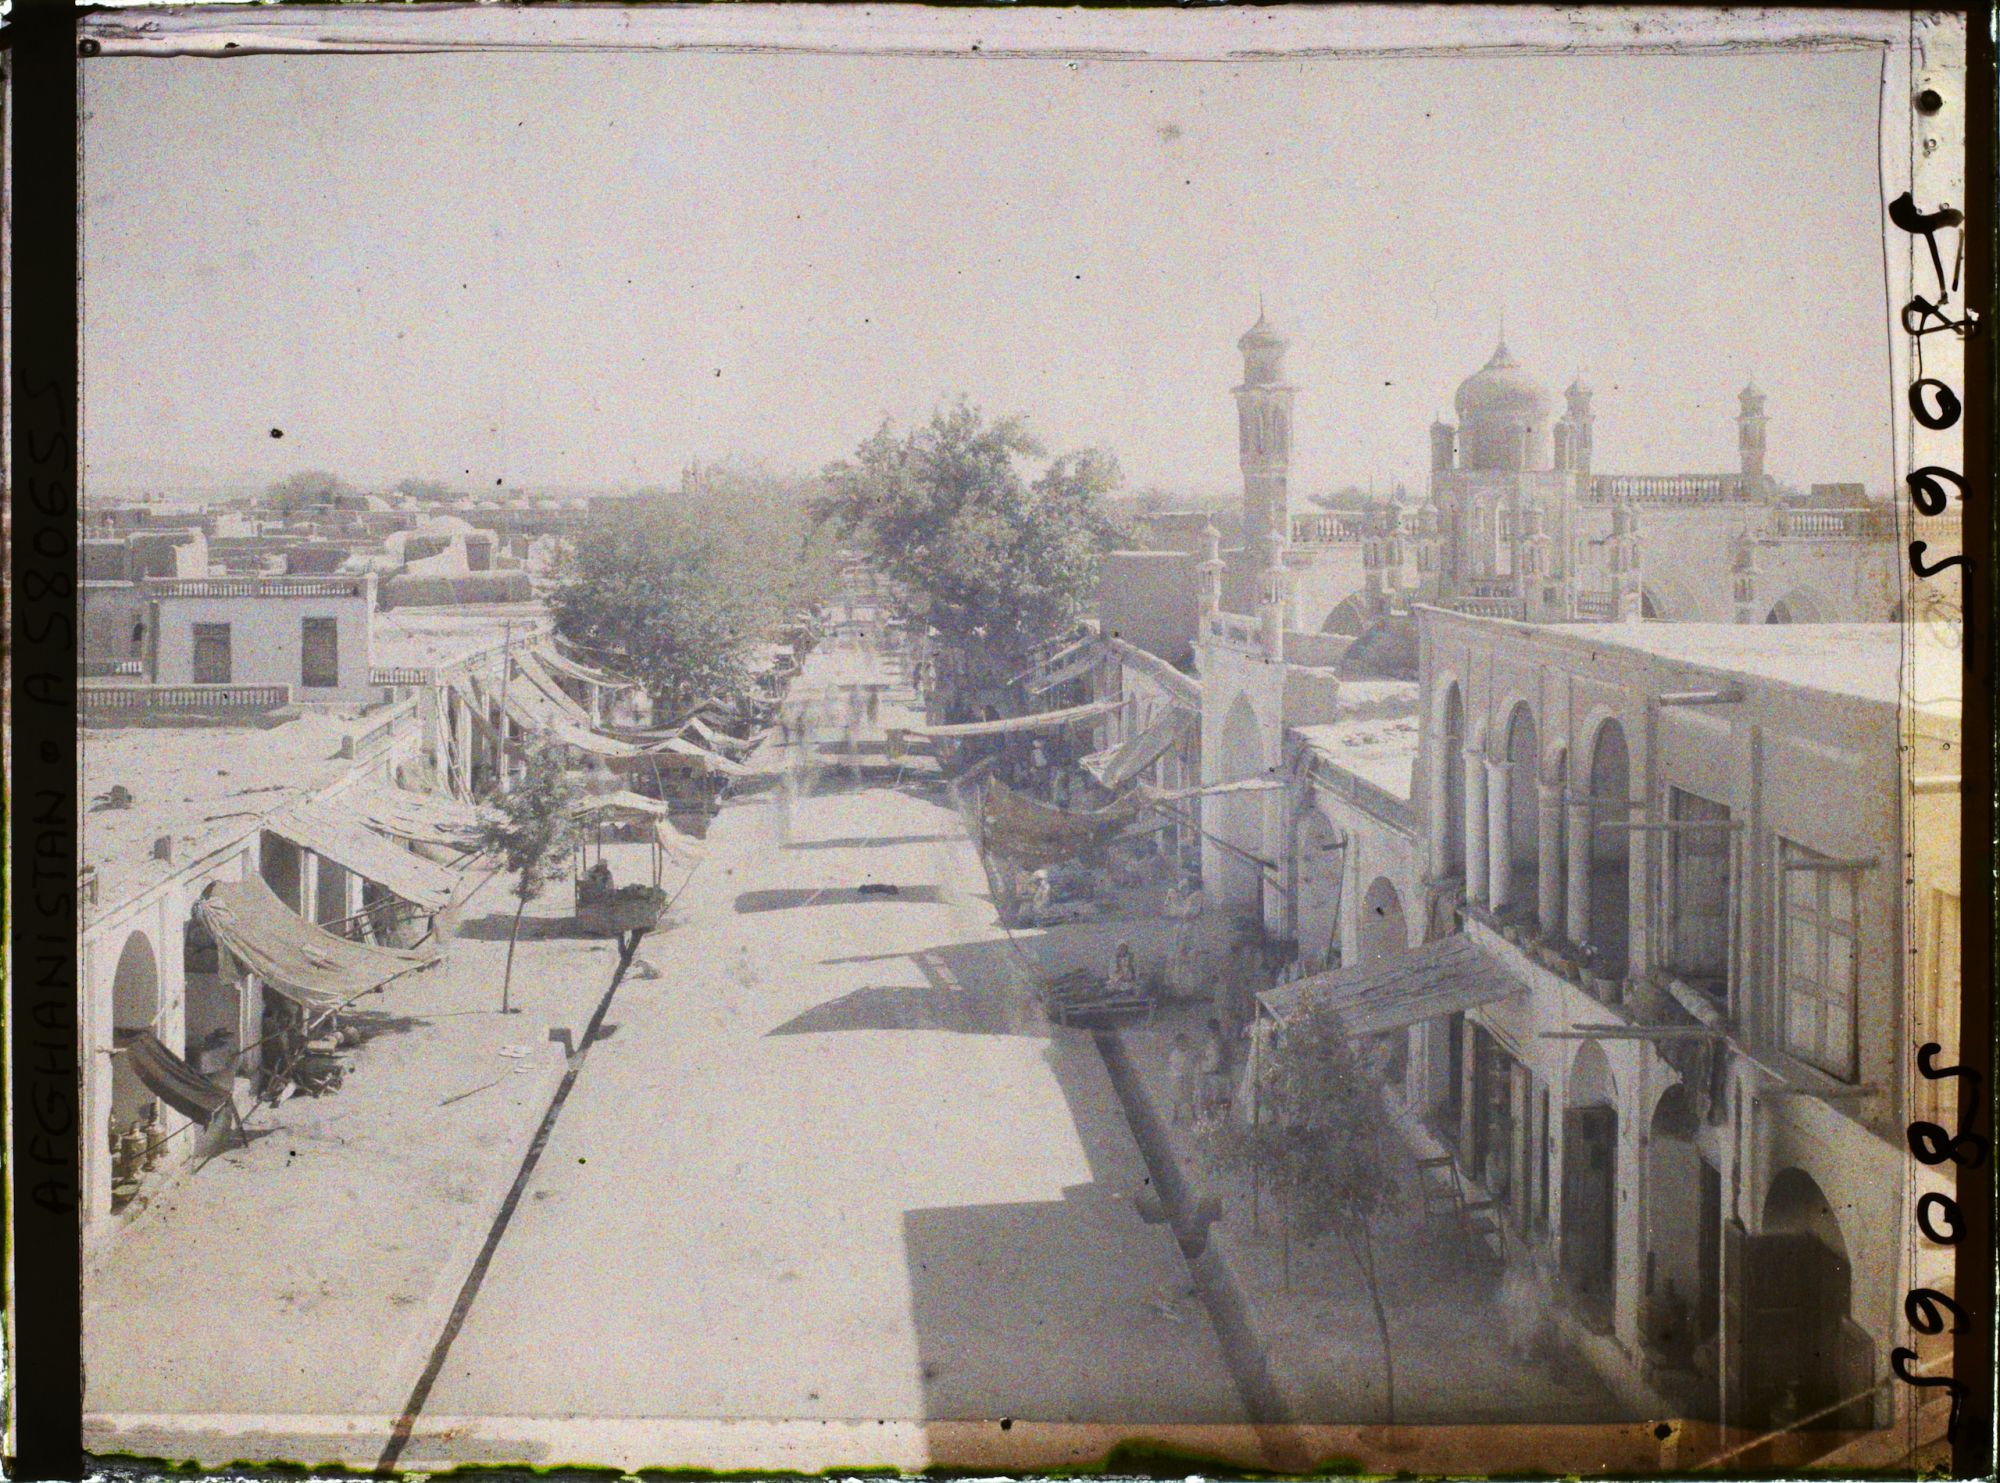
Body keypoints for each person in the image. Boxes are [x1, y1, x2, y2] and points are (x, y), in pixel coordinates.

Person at [1167, 1031, 1199, 1125]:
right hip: (1178, 1080)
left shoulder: (1189, 1054)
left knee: (1190, 1098)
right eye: (1181, 1043)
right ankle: (1175, 1115)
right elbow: (1173, 1068)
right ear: (1177, 1044)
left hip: (1188, 1079)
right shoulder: (1174, 1055)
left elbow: (1192, 1065)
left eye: (1184, 1042)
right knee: (1177, 1099)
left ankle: (1194, 1115)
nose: (1183, 1044)